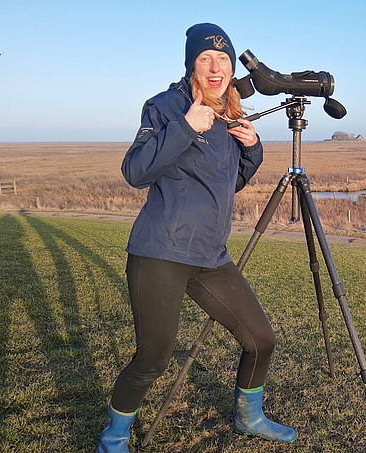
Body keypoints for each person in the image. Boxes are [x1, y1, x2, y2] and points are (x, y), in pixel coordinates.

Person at [95, 23, 296, 452]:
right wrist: (186, 126)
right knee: (153, 358)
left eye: (222, 59)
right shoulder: (165, 107)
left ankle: (249, 416)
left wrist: (253, 147)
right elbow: (135, 171)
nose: (215, 66)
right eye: (205, 58)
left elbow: (229, 182)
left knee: (261, 339)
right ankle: (114, 437)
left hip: (210, 256)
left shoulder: (229, 113)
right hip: (160, 253)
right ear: (192, 65)